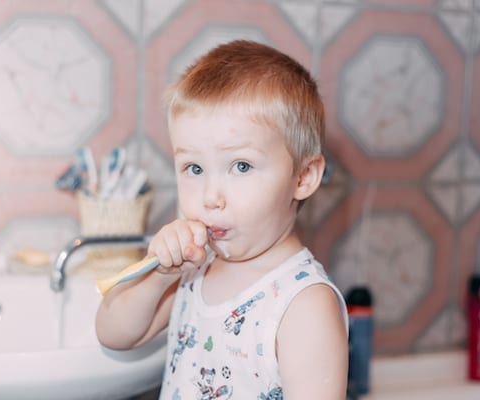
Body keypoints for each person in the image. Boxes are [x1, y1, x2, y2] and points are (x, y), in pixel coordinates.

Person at [96, 39, 348, 399]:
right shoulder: (196, 267)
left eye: (241, 166)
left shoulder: (303, 305)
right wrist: (158, 276)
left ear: (303, 177)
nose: (210, 197)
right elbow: (114, 335)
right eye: (194, 168)